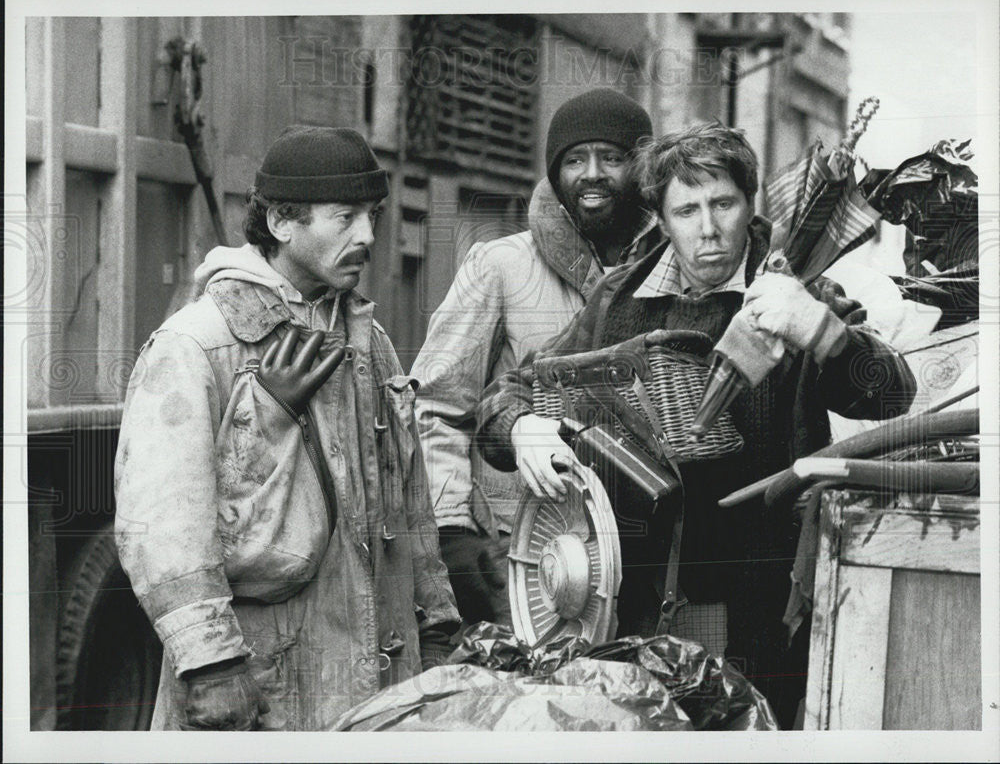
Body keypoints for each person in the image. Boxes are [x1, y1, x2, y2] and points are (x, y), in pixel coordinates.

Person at [475, 122, 916, 727]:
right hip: (631, 603)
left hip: (759, 603)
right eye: (686, 210)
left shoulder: (798, 285)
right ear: (660, 216)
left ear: (749, 202)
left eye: (723, 204)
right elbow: (511, 391)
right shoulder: (618, 298)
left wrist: (823, 330)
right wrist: (520, 425)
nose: (708, 229)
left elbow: (892, 396)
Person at [114, 126, 459, 731]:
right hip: (269, 686)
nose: (369, 236)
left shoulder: (368, 342)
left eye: (372, 216)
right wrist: (210, 663)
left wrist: (436, 624)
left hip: (381, 684)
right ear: (280, 224)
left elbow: (408, 505)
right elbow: (161, 523)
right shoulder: (197, 344)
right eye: (345, 217)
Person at [411, 88, 661, 626]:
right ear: (554, 172)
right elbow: (433, 406)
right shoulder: (501, 267)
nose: (592, 174)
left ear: (642, 170)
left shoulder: (670, 270)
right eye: (575, 160)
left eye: (612, 158)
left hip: (645, 558)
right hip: (524, 556)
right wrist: (453, 531)